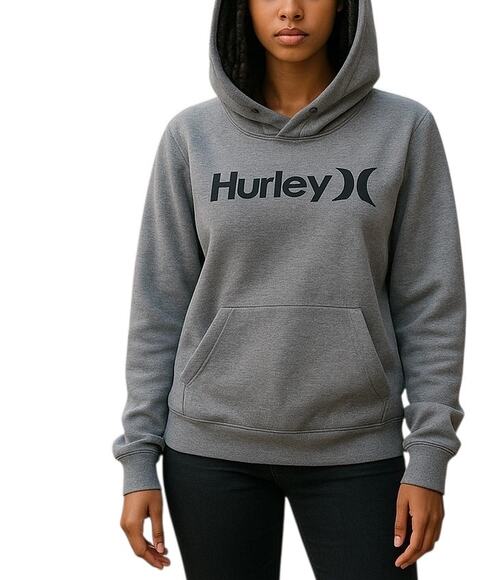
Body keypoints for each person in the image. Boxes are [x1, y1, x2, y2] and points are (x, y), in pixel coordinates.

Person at [112, 0, 467, 578]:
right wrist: (138, 460)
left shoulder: (404, 129)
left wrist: (429, 456)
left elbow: (431, 301)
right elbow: (159, 303)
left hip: (356, 446)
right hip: (209, 449)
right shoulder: (192, 136)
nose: (291, 10)